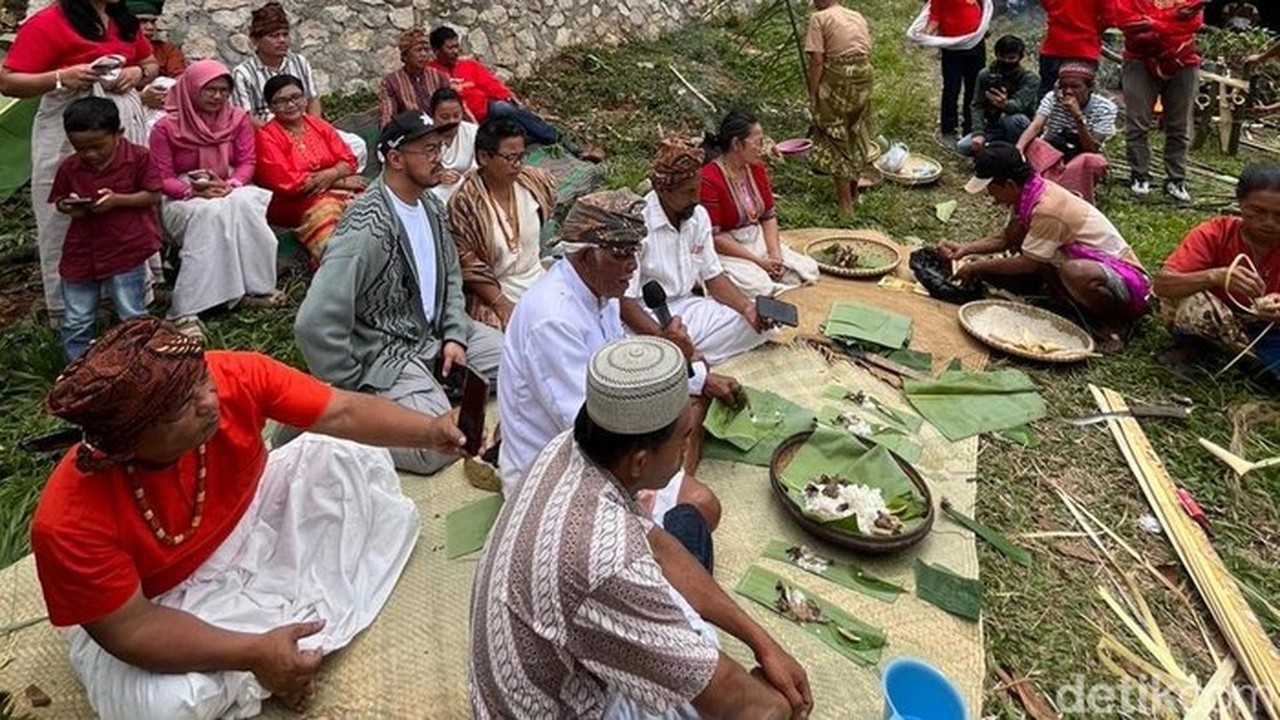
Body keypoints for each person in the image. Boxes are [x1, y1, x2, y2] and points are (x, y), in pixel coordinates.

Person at [32, 317, 466, 719]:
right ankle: (268, 651)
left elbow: (342, 412)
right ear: (129, 441)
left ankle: (272, 648)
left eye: (203, 379)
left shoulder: (232, 377)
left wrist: (432, 431)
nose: (210, 401)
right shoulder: (67, 523)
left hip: (253, 516)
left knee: (344, 456)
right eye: (183, 406)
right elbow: (133, 629)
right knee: (161, 707)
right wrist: (252, 654)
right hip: (164, 604)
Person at [472, 336, 812, 720]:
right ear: (640, 461)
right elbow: (746, 708)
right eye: (684, 438)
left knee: (687, 532)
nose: (688, 450)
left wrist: (761, 642)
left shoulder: (567, 447)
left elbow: (660, 548)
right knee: (768, 705)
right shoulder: (609, 560)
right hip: (560, 707)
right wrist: (778, 705)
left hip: (548, 679)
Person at [498, 189, 740, 536]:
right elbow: (584, 425)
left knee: (697, 489)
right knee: (698, 505)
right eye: (621, 254)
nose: (633, 266)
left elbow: (624, 374)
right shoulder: (551, 318)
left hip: (602, 437)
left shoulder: (603, 292)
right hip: (562, 466)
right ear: (584, 258)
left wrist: (691, 373)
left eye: (635, 252)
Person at [294, 111, 503, 476]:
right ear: (395, 158)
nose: (439, 157)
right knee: (436, 447)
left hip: (435, 335)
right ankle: (337, 420)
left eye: (440, 148)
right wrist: (350, 384)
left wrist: (455, 334)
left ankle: (431, 386)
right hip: (387, 350)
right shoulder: (366, 228)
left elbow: (452, 277)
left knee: (521, 362)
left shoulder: (431, 205)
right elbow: (314, 322)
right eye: (428, 150)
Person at [0, 0, 157, 322]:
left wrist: (136, 71)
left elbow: (150, 62)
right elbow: (9, 81)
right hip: (69, 130)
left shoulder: (122, 19)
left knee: (124, 208)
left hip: (119, 125)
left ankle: (127, 303)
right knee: (68, 210)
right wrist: (60, 77)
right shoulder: (48, 22)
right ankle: (74, 309)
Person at [944, 143, 1150, 351]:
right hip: (1078, 263)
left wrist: (976, 267)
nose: (991, 196)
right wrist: (965, 249)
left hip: (1125, 280)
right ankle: (1067, 300)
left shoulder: (1047, 208)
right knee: (1029, 263)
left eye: (991, 189)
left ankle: (1114, 322)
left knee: (1074, 271)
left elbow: (1029, 263)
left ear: (1009, 185)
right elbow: (1006, 239)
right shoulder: (1027, 194)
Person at [150, 59, 280, 336]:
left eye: (223, 90)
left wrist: (231, 184)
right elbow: (162, 178)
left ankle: (252, 287)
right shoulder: (166, 127)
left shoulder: (237, 118)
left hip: (226, 183)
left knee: (246, 205)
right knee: (209, 215)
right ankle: (188, 307)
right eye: (209, 90)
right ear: (191, 89)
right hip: (183, 194)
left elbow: (247, 162)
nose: (217, 96)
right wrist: (192, 190)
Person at [620, 138, 769, 366]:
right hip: (646, 319)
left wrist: (748, 309)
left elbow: (714, 276)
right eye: (688, 192)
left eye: (697, 188)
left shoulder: (698, 216)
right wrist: (668, 342)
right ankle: (684, 361)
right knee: (639, 357)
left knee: (757, 327)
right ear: (662, 189)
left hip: (689, 308)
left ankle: (689, 362)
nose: (696, 198)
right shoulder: (637, 225)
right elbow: (625, 305)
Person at [49, 97, 160, 360]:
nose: (90, 154)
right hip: (81, 251)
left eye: (98, 146)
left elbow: (152, 195)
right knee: (77, 317)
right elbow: (60, 201)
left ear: (118, 134)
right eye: (80, 148)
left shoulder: (138, 157)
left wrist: (118, 200)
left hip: (125, 246)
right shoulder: (70, 166)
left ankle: (141, 363)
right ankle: (77, 369)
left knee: (130, 311)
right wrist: (70, 206)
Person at [1152, 164, 1280, 379]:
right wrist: (1216, 276)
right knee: (1186, 295)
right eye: (1257, 211)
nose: (1269, 222)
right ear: (1240, 203)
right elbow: (1162, 285)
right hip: (1220, 319)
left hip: (1270, 331)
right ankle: (1194, 347)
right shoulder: (1216, 233)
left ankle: (1248, 359)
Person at [446, 116, 556, 328]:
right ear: (484, 157)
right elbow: (466, 260)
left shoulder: (535, 182)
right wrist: (500, 303)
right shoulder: (465, 203)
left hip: (538, 277)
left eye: (522, 157)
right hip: (496, 291)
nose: (518, 165)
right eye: (510, 158)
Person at [230, 2, 366, 170]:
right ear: (256, 40)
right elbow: (246, 118)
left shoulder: (299, 62)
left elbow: (312, 99)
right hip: (270, 134)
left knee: (356, 145)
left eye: (285, 34)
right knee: (287, 159)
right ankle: (323, 179)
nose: (282, 40)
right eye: (274, 36)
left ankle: (327, 178)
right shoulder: (243, 73)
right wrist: (282, 136)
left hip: (304, 126)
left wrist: (314, 130)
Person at [699, 110, 819, 298]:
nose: (762, 148)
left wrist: (775, 255)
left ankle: (773, 282)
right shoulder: (709, 179)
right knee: (758, 287)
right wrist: (758, 261)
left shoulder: (755, 168)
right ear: (737, 144)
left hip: (755, 237)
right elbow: (715, 238)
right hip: (728, 248)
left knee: (808, 270)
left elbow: (768, 216)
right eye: (758, 142)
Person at [254, 74, 367, 263]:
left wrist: (333, 173)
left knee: (372, 199)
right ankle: (339, 267)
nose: (290, 105)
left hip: (331, 189)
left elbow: (348, 158)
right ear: (271, 107)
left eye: (295, 97)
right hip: (290, 202)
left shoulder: (316, 124)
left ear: (305, 98)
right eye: (281, 101)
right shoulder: (266, 137)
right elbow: (287, 182)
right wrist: (338, 180)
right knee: (326, 210)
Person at [1115, 0, 1203, 203]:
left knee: (1179, 126)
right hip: (1138, 59)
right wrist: (1173, 19)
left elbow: (1193, 24)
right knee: (1137, 122)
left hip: (1183, 60)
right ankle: (1139, 175)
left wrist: (1151, 23)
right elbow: (1125, 22)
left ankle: (1176, 179)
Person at [426, 25, 561, 147]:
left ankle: (553, 136)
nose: (455, 51)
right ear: (436, 50)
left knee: (505, 108)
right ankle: (535, 138)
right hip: (464, 120)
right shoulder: (431, 72)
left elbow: (490, 84)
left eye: (456, 46)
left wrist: (507, 96)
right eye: (450, 48)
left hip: (488, 110)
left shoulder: (469, 65)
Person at [803, 0, 875, 216]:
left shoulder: (819, 18)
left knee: (835, 135)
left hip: (839, 75)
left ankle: (845, 206)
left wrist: (813, 94)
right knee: (857, 130)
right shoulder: (856, 15)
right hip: (864, 73)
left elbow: (817, 60)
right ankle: (853, 192)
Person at [1015, 61, 1117, 204]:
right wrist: (1018, 148)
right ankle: (1055, 189)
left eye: (1075, 87)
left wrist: (1078, 117)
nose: (1068, 92)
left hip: (1079, 155)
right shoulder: (1052, 98)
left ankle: (1060, 192)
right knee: (1034, 145)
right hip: (1052, 153)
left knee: (1095, 162)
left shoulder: (1106, 108)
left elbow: (1092, 148)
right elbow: (1036, 126)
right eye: (1064, 87)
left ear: (1090, 87)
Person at [957, 34, 1039, 157]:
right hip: (994, 126)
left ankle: (1016, 152)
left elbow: (1019, 106)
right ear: (996, 54)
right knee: (964, 146)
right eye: (1002, 57)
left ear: (1020, 57)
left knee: (1013, 119)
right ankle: (998, 150)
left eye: (1011, 58)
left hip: (1021, 127)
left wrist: (1004, 104)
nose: (1006, 61)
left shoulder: (1030, 78)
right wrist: (978, 133)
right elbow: (977, 105)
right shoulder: (985, 75)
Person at [923, 0, 986, 143]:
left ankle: (970, 128)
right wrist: (924, 36)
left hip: (975, 45)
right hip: (952, 49)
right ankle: (949, 130)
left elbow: (985, 8)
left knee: (974, 88)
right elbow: (935, 17)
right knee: (951, 88)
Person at [378, 28, 458, 129]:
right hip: (410, 135)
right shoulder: (391, 83)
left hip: (440, 131)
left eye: (426, 50)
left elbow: (454, 107)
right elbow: (387, 117)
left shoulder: (440, 77)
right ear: (405, 56)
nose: (424, 54)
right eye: (418, 50)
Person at [1038, 0, 1115, 98]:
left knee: (1047, 95)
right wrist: (1093, 30)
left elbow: (1045, 5)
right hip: (1084, 49)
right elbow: (1110, 17)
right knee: (1080, 96)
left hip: (1054, 47)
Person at [127, 0, 185, 125]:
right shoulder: (116, 51)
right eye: (142, 21)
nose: (150, 27)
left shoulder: (166, 50)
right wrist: (141, 98)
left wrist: (167, 94)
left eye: (153, 22)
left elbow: (181, 78)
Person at [429, 87, 478, 203]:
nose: (452, 122)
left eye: (456, 115)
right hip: (435, 190)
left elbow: (480, 167)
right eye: (445, 117)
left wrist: (465, 178)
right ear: (433, 115)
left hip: (469, 188)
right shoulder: (424, 137)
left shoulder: (473, 132)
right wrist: (438, 176)